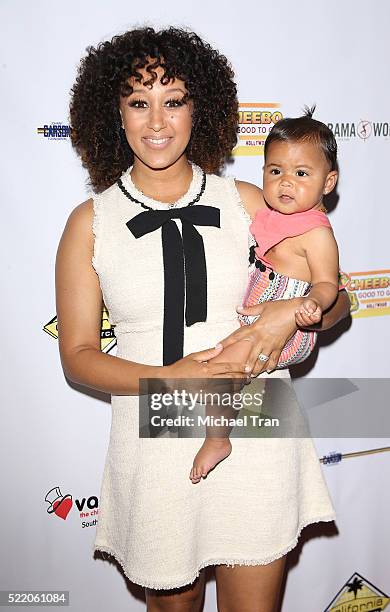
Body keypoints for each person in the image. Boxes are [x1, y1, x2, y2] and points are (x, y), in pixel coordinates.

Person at [56, 26, 351, 612]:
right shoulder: (90, 222)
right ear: (114, 115)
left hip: (254, 422)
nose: (157, 122)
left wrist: (291, 315)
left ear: (201, 109)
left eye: (174, 100)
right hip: (153, 432)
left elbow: (335, 297)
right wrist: (170, 379)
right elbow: (78, 357)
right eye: (139, 103)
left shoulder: (248, 200)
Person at [190, 107, 341, 484]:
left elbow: (327, 284)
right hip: (259, 316)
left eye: (301, 174)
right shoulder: (268, 213)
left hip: (292, 329)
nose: (286, 183)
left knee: (222, 371)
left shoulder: (317, 233)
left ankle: (216, 440)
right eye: (276, 171)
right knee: (219, 367)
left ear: (328, 182)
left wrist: (307, 306)